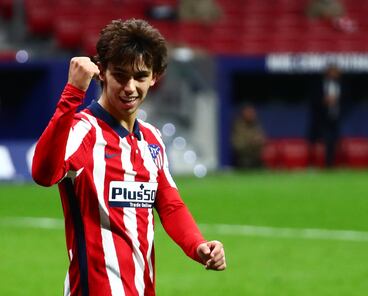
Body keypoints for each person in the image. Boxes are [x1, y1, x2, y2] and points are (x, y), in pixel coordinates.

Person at [32, 19, 226, 296]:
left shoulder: (151, 139)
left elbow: (169, 204)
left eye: (140, 77)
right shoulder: (83, 131)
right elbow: (43, 173)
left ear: (155, 77)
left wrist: (198, 245)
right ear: (102, 73)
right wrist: (72, 93)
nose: (130, 87)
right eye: (120, 76)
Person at [308, 64, 345, 168]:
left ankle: (330, 165)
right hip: (320, 119)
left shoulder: (342, 85)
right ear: (328, 72)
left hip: (335, 118)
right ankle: (313, 164)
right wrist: (324, 101)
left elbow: (346, 101)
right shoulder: (318, 85)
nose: (336, 74)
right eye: (334, 71)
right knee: (316, 142)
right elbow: (313, 100)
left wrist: (337, 103)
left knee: (333, 142)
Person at [231, 104, 266, 169]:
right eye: (249, 112)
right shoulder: (239, 126)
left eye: (252, 112)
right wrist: (251, 142)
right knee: (246, 163)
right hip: (243, 158)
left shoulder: (256, 125)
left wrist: (260, 141)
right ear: (243, 113)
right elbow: (238, 145)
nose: (251, 114)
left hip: (256, 157)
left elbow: (262, 140)